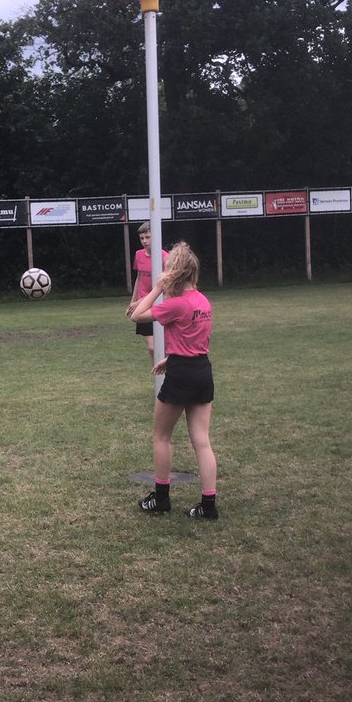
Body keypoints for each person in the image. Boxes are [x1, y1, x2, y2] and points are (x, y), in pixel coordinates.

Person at [129, 240, 218, 520]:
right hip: (201, 370)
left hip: (181, 375)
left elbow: (137, 316)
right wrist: (171, 358)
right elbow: (197, 339)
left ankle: (161, 499)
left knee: (161, 436)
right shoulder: (203, 301)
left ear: (173, 272)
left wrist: (157, 288)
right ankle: (208, 505)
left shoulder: (175, 304)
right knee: (202, 441)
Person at [125, 221, 169, 362]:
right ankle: (158, 370)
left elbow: (166, 286)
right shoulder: (138, 255)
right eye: (142, 238)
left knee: (164, 346)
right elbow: (139, 278)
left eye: (148, 237)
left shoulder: (165, 257)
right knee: (152, 347)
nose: (144, 241)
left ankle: (166, 370)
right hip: (142, 306)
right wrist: (133, 302)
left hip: (159, 303)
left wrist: (138, 302)